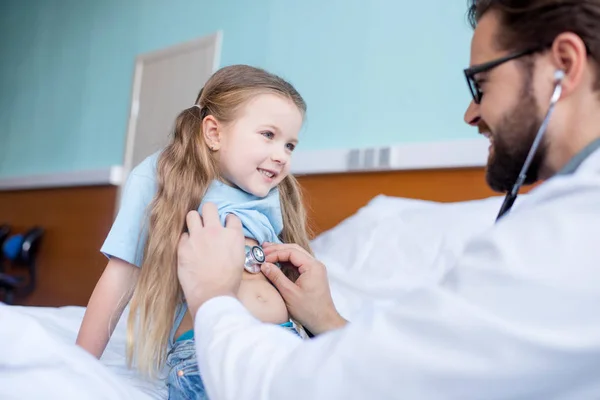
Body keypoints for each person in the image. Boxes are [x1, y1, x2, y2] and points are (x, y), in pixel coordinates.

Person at [176, 1, 600, 399]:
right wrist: (326, 319)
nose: (470, 114)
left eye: (481, 84)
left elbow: (302, 390)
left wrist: (213, 297)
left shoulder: (569, 237)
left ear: (564, 64)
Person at [75, 64, 313, 399]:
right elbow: (119, 277)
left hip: (282, 346)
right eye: (269, 135)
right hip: (206, 354)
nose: (281, 156)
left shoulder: (275, 194)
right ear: (214, 133)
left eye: (290, 145)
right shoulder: (162, 176)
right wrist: (77, 366)